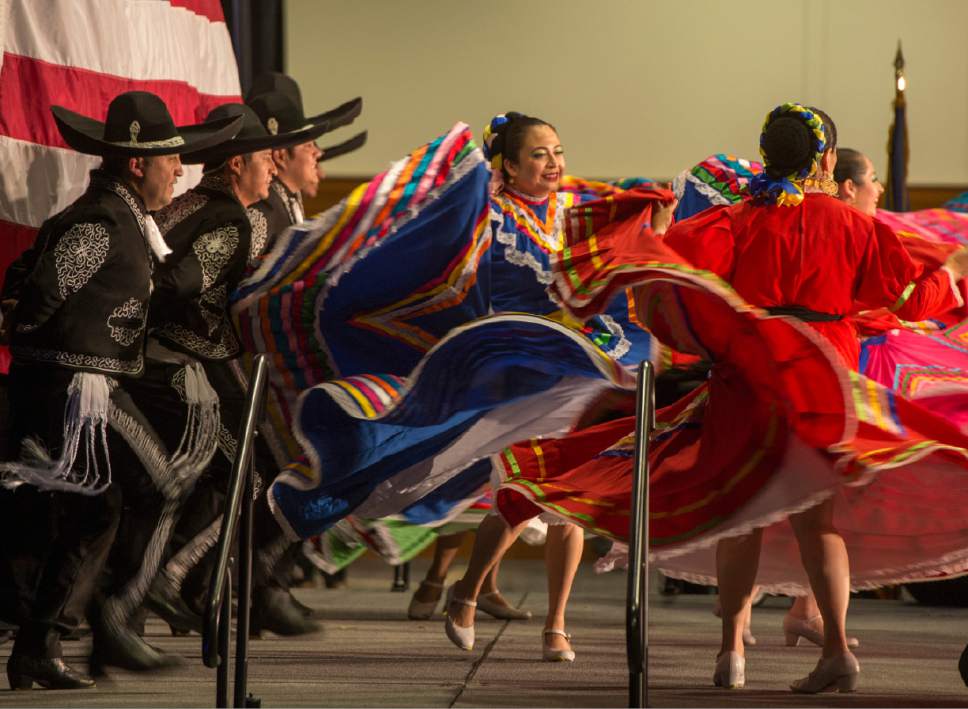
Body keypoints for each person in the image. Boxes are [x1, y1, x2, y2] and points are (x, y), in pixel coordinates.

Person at [491, 102, 968, 692]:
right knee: (818, 523)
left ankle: (730, 654)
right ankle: (838, 649)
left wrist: (654, 234)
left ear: (767, 156)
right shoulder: (855, 225)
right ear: (824, 159)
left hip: (753, 371)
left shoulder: (734, 220)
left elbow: (668, 285)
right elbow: (905, 300)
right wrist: (947, 278)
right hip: (825, 372)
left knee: (741, 516)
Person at [0, 91, 239, 688]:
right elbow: (36, 295)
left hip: (90, 385)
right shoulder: (102, 220)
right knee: (158, 487)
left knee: (95, 513)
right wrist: (29, 327)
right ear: (138, 163)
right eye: (170, 160)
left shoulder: (126, 219)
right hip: (78, 390)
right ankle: (114, 617)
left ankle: (41, 644)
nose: (179, 170)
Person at [444, 113, 675, 662]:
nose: (554, 163)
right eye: (540, 155)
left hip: (575, 368)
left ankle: (555, 623)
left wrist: (655, 230)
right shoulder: (488, 216)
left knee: (568, 494)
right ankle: (467, 591)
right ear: (510, 165)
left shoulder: (574, 211)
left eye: (558, 152)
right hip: (518, 368)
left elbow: (614, 259)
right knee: (523, 493)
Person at [139, 102, 320, 638]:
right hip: (188, 368)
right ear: (237, 164)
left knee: (213, 480)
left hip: (158, 364)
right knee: (253, 478)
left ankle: (178, 590)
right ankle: (167, 578)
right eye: (265, 157)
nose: (273, 165)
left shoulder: (190, 205)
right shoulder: (232, 220)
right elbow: (177, 288)